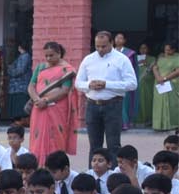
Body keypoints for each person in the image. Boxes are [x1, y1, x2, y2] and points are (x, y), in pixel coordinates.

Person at [77, 30, 137, 163]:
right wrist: (89, 85)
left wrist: (107, 84)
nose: (100, 49)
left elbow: (132, 84)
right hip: (92, 105)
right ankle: (93, 173)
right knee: (94, 145)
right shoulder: (88, 59)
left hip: (113, 105)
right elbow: (78, 83)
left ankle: (114, 173)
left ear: (111, 43)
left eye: (103, 46)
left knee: (113, 145)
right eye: (97, 46)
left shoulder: (122, 59)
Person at [28, 40, 79, 162]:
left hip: (57, 108)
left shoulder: (67, 70)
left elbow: (64, 90)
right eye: (46, 55)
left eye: (51, 55)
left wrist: (46, 100)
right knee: (37, 136)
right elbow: (31, 86)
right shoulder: (40, 67)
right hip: (39, 108)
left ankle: (54, 165)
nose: (48, 58)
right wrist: (36, 99)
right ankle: (37, 164)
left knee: (55, 136)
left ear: (59, 53)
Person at [151, 39, 179, 132]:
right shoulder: (160, 57)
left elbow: (177, 71)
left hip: (171, 83)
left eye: (169, 50)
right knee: (158, 104)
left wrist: (165, 78)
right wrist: (158, 78)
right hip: (159, 84)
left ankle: (172, 125)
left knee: (172, 104)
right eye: (165, 49)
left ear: (174, 50)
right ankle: (159, 125)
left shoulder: (177, 58)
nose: (166, 51)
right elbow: (155, 67)